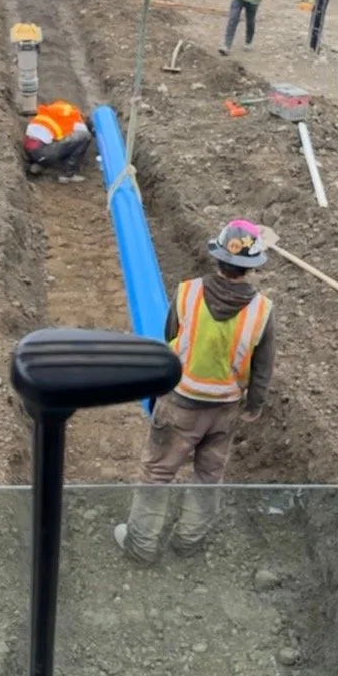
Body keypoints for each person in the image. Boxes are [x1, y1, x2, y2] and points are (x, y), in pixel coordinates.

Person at [114, 220, 275, 565]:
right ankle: (188, 541)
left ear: (217, 258)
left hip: (181, 402)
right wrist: (254, 405)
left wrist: (157, 391)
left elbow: (170, 337)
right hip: (225, 408)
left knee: (158, 472)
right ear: (252, 267)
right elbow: (263, 365)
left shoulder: (187, 292)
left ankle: (141, 545)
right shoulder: (262, 310)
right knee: (208, 475)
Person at [22, 100, 92, 184]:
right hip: (43, 152)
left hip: (28, 148)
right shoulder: (76, 118)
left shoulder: (56, 109)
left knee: (56, 140)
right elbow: (82, 135)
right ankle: (67, 174)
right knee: (85, 136)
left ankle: (39, 165)